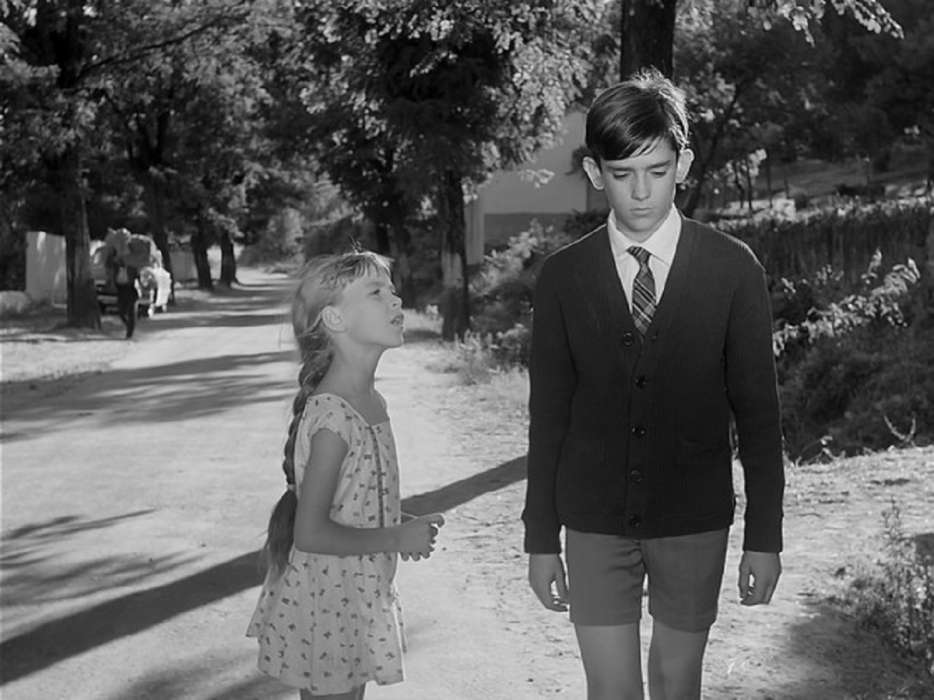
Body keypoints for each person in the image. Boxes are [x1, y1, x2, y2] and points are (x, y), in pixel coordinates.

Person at [522, 68, 785, 700]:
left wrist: (765, 536)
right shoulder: (563, 278)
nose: (641, 192)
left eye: (657, 171)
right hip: (592, 518)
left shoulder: (732, 270)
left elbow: (758, 415)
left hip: (694, 516)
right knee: (611, 690)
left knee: (675, 682)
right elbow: (548, 416)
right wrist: (540, 538)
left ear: (683, 164)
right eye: (622, 174)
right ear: (595, 173)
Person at [247, 251, 445, 700]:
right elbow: (311, 533)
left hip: (356, 591)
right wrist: (396, 537)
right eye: (376, 293)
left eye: (392, 289)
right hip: (328, 599)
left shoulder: (371, 402)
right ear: (335, 319)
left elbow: (352, 501)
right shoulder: (334, 417)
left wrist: (398, 522)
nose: (395, 300)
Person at [106, 243, 139, 339]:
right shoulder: (116, 267)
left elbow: (139, 276)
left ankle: (130, 333)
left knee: (131, 313)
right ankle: (128, 326)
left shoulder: (132, 268)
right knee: (121, 312)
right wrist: (111, 253)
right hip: (121, 290)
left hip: (131, 290)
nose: (122, 261)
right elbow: (108, 264)